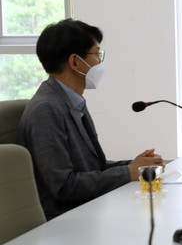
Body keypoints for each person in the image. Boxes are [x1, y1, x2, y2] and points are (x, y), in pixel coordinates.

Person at [17, 19, 164, 220]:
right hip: (64, 220)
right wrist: (128, 172)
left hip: (86, 209)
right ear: (75, 62)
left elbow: (95, 167)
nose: (100, 63)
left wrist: (137, 165)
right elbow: (64, 186)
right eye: (97, 54)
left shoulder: (72, 101)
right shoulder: (46, 109)